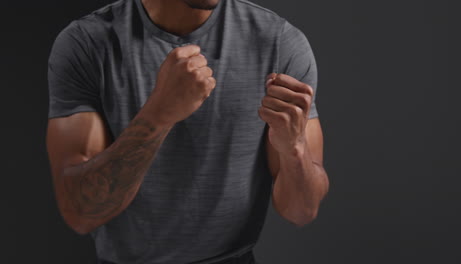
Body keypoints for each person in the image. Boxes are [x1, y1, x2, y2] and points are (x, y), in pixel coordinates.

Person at [45, 0, 329, 263]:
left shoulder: (278, 41)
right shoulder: (87, 42)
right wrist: (159, 114)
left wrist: (294, 148)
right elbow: (80, 214)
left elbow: (301, 212)